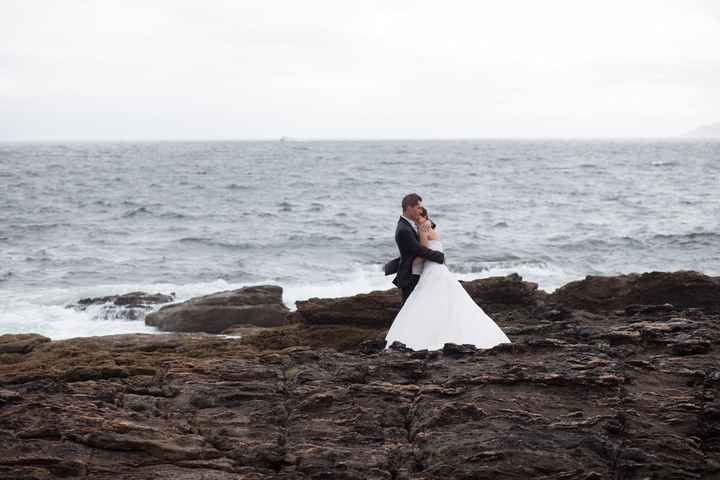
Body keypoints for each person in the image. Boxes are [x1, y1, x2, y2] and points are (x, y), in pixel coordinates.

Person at [385, 205, 512, 351]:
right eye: (416, 219)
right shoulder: (433, 230)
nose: (417, 221)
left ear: (424, 218)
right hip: (439, 269)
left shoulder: (423, 230)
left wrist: (408, 264)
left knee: (427, 300)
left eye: (419, 218)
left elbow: (424, 251)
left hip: (432, 269)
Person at [385, 193, 446, 306]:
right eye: (418, 208)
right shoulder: (404, 229)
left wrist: (428, 222)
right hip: (409, 275)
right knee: (409, 307)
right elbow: (419, 250)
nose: (420, 210)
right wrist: (439, 256)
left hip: (416, 271)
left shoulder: (411, 223)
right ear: (409, 208)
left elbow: (430, 224)